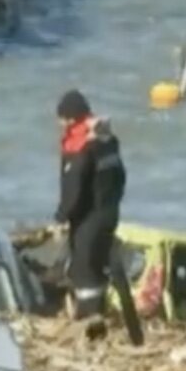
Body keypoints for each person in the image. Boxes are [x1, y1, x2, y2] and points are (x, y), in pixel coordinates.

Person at [54, 90, 127, 319]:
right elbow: (121, 177)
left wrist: (61, 217)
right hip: (109, 212)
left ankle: (89, 320)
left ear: (70, 118)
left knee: (83, 272)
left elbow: (74, 189)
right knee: (97, 267)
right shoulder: (108, 141)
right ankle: (100, 314)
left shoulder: (79, 146)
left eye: (61, 119)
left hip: (88, 218)